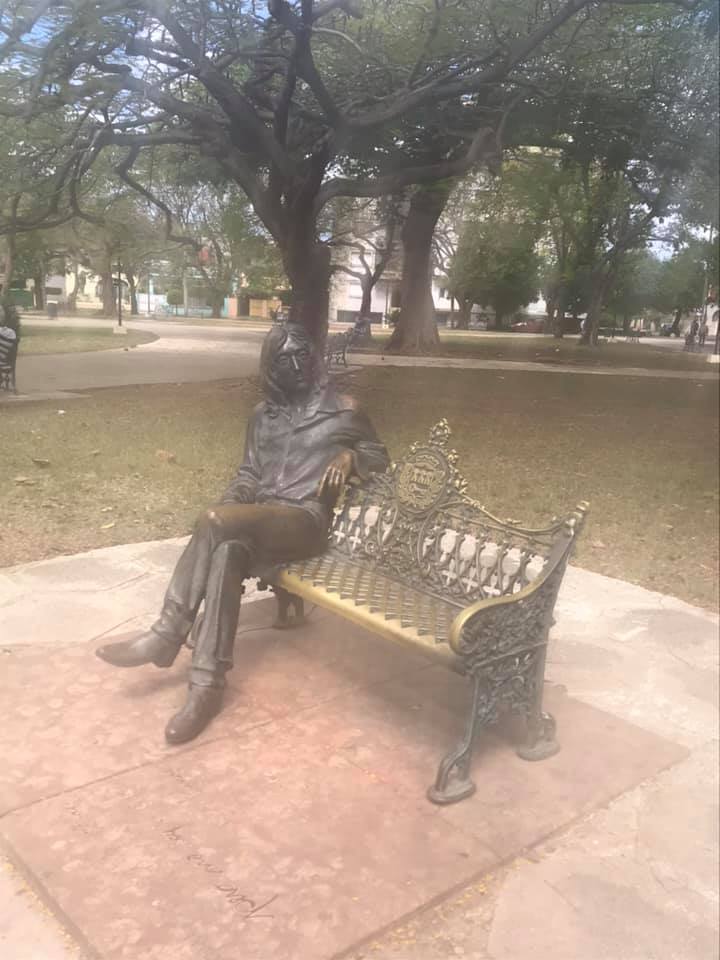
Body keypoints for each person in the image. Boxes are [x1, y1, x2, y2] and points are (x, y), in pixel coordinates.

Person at [97, 323, 389, 742]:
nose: (297, 365)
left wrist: (351, 457)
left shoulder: (345, 410)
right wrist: (232, 507)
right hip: (259, 522)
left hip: (305, 523)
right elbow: (249, 475)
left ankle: (166, 634)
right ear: (271, 367)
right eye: (285, 359)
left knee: (216, 522)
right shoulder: (261, 417)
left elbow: (380, 458)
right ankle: (206, 686)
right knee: (226, 551)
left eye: (303, 355)